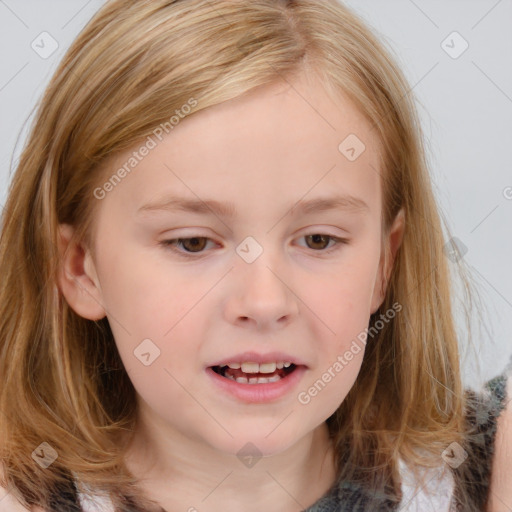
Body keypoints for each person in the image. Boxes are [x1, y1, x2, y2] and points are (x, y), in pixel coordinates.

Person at [0, 1, 510, 511]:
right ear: (79, 267)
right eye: (193, 243)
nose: (264, 302)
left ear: (385, 262)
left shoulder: (483, 473)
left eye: (318, 240)